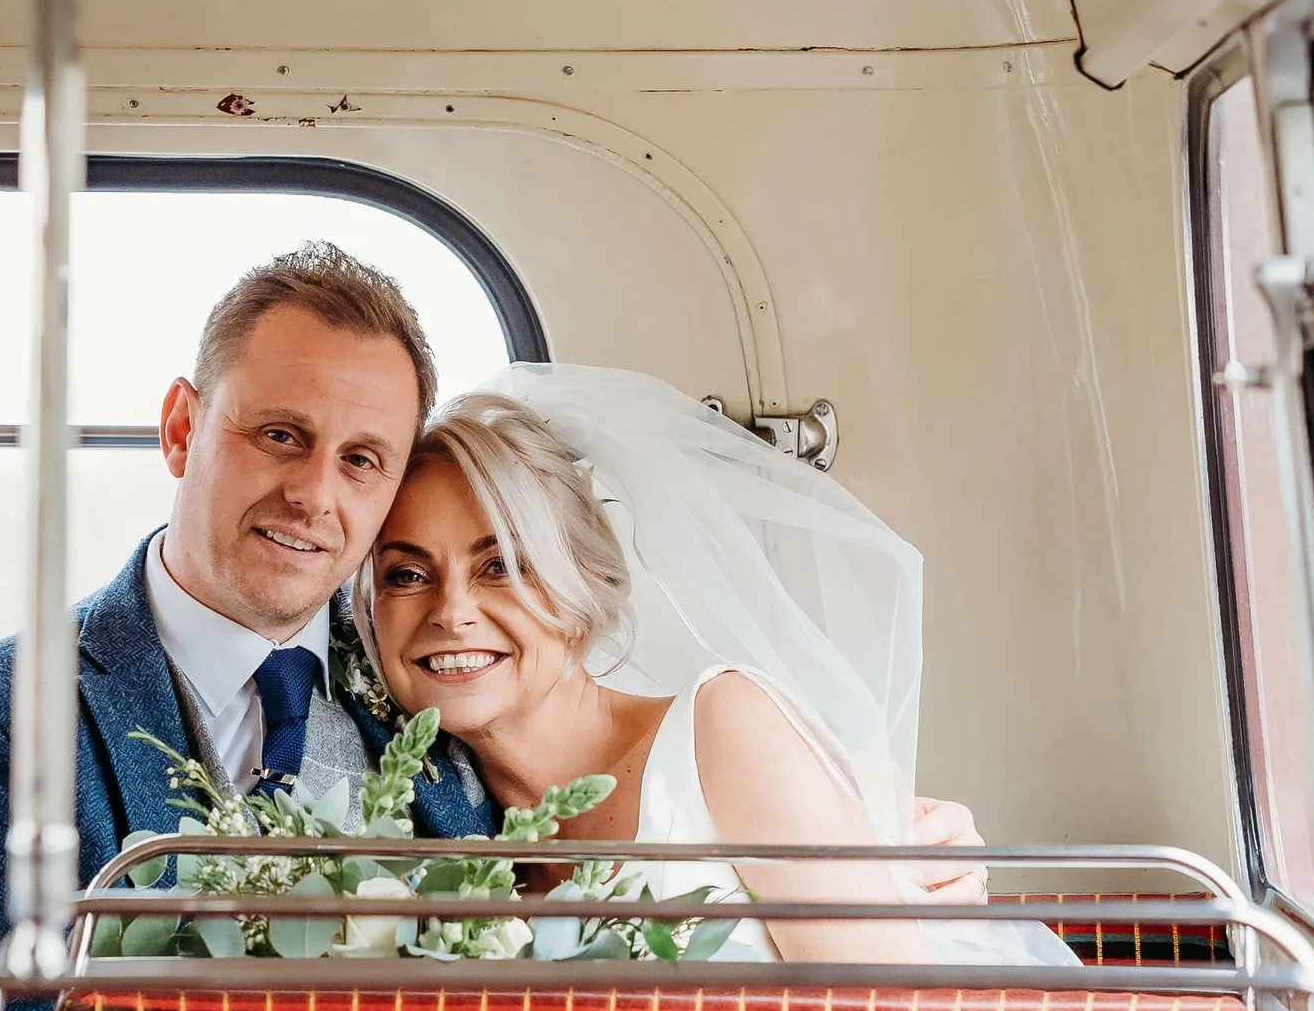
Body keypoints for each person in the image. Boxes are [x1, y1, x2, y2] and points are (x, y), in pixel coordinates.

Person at [0, 243, 493, 985]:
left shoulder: (441, 686)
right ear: (181, 428)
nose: (313, 494)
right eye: (280, 435)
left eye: (361, 460)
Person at [358, 369, 1074, 967]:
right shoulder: (425, 830)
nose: (451, 611)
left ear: (582, 583)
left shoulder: (724, 730)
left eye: (501, 565)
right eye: (407, 574)